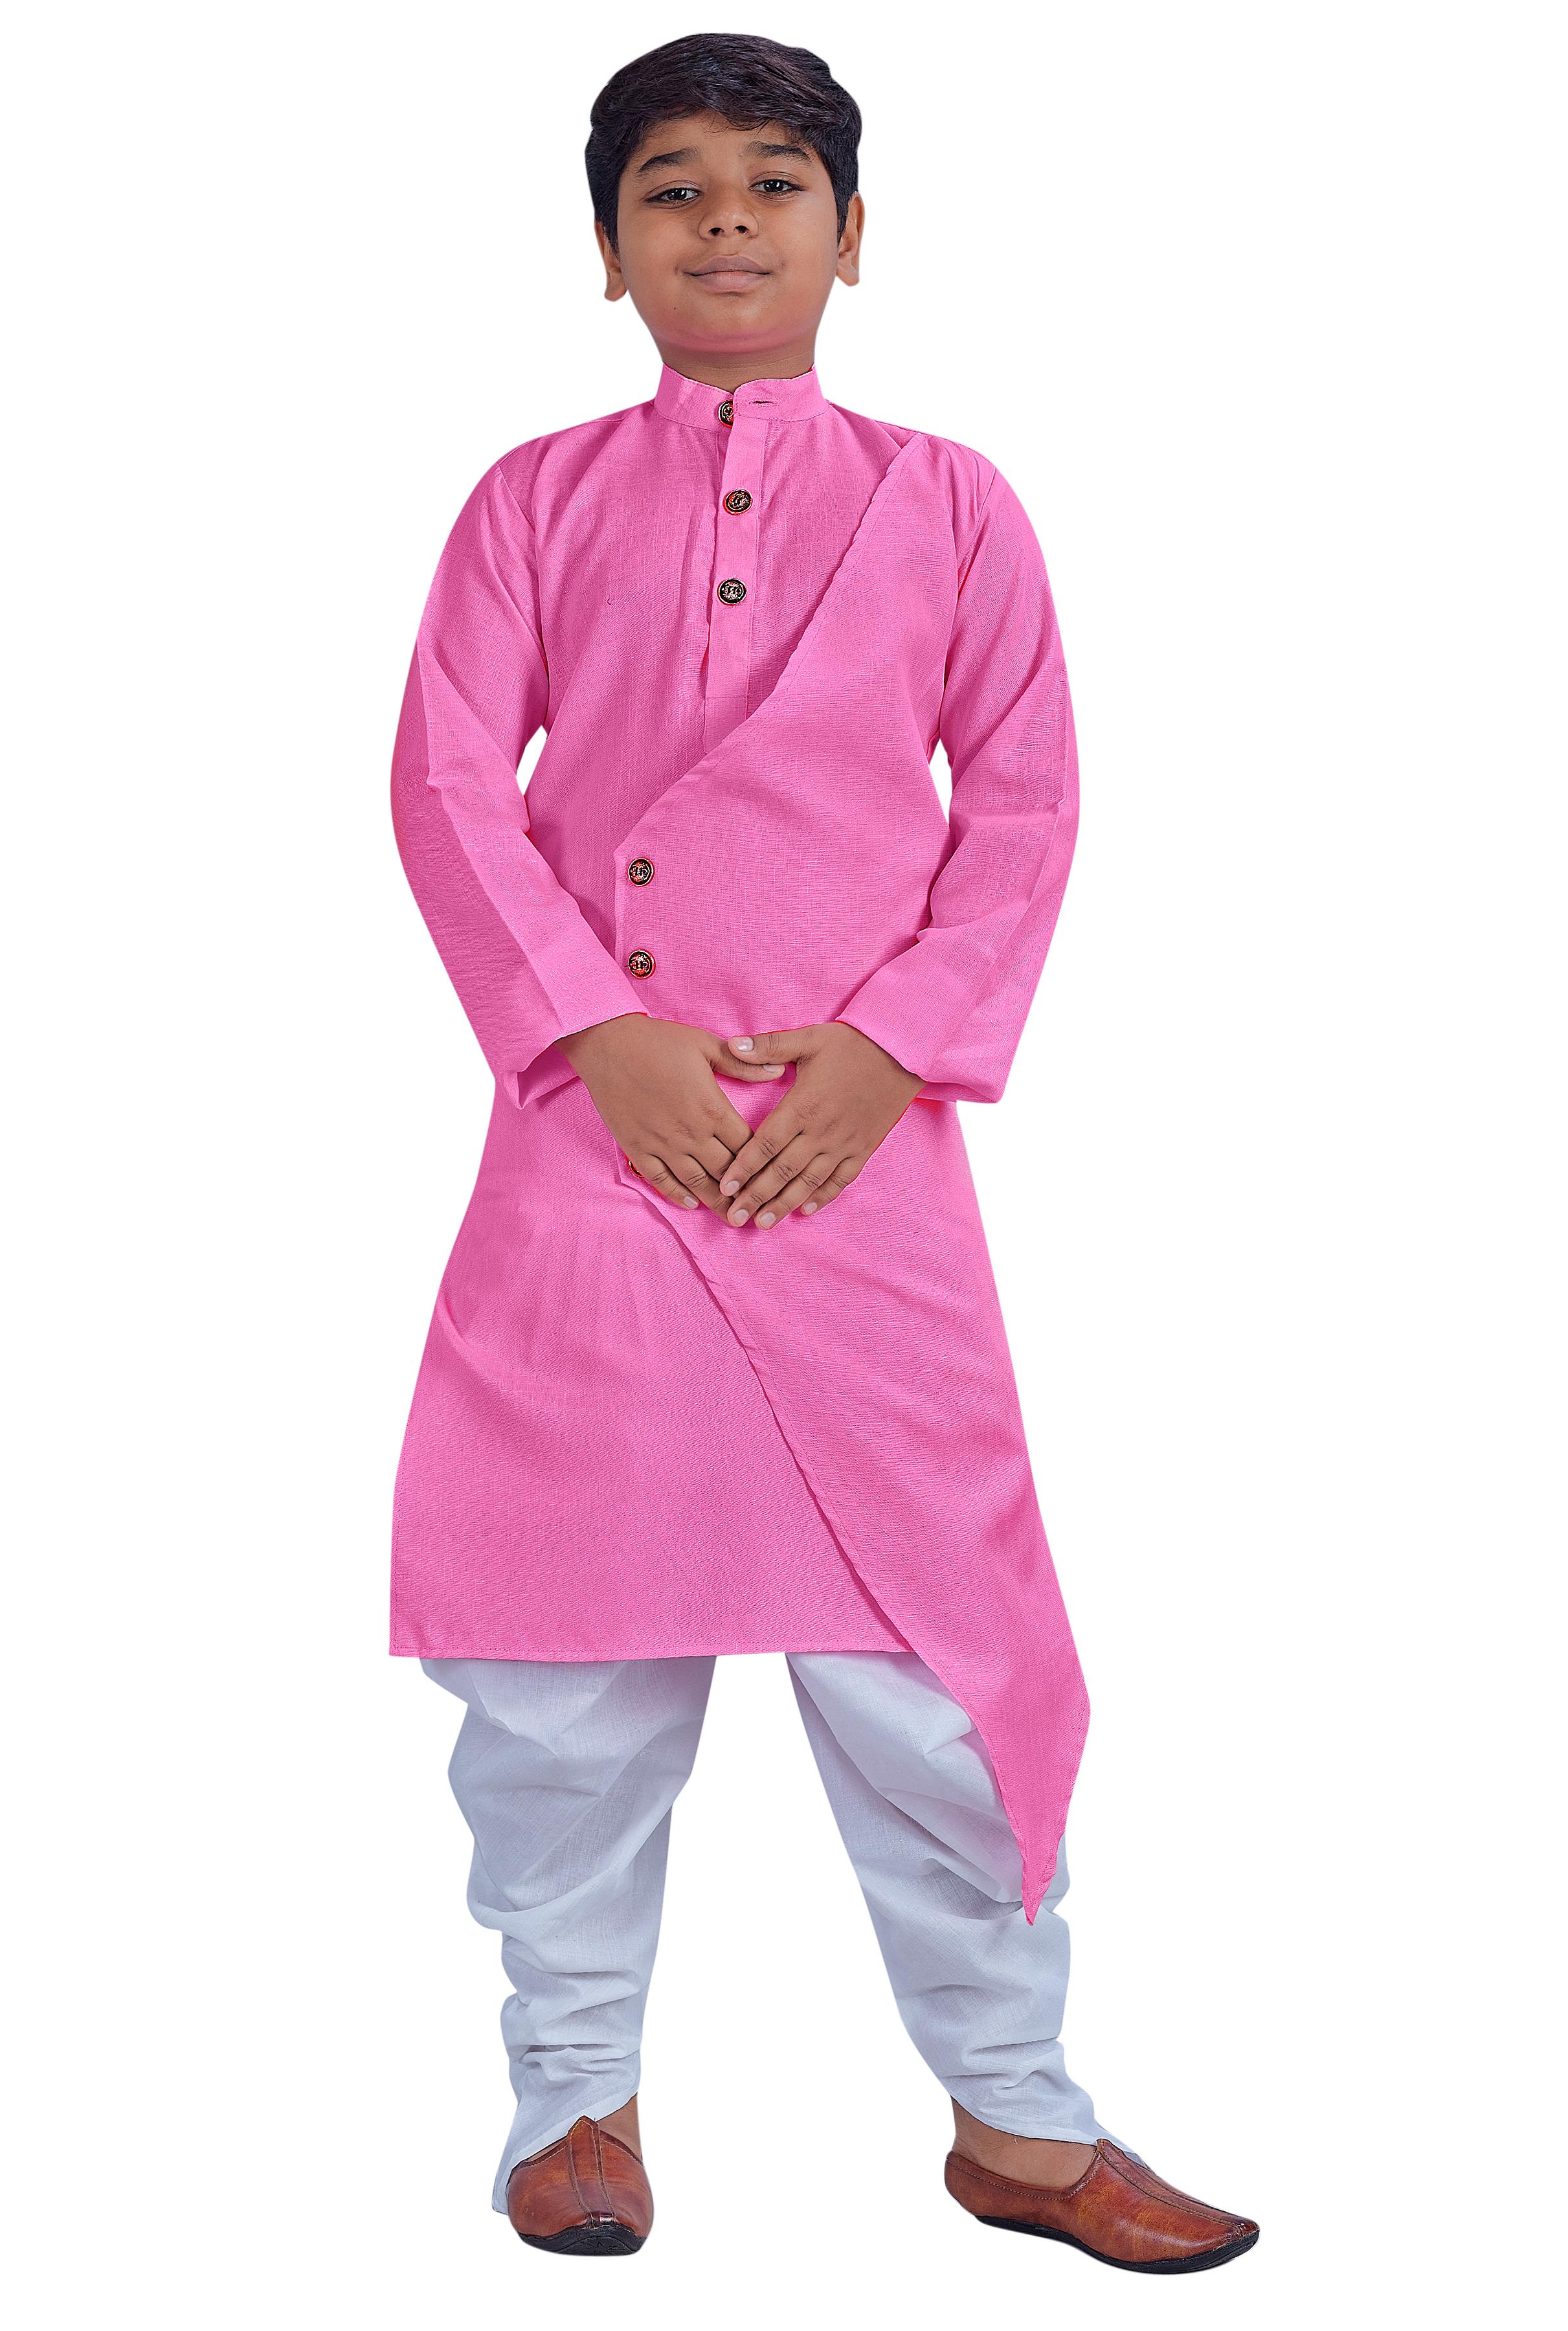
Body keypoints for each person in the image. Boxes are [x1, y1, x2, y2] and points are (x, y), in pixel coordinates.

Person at [388, 32, 1256, 2273]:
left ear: (853, 236)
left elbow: (1028, 802)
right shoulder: (528, 501)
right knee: (566, 1683)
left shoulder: (952, 503)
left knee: (938, 1678)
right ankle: (573, 2103)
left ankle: (1019, 2123)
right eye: (669, 188)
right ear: (606, 253)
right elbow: (448, 786)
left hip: (862, 1165)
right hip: (597, 1152)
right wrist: (598, 1037)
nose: (725, 222)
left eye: (774, 183)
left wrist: (893, 1053)